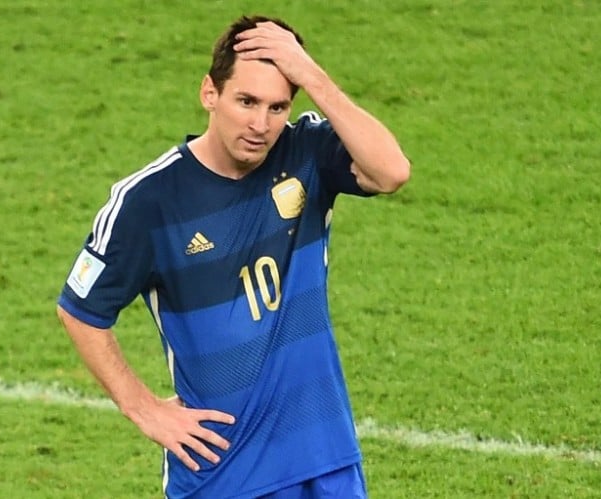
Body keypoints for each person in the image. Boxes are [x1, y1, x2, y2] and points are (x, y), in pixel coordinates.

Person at [56, 14, 410, 499]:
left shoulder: (307, 153)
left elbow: (391, 172)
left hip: (324, 456)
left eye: (277, 106)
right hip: (223, 473)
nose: (260, 125)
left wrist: (312, 74)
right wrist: (143, 408)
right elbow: (80, 311)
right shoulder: (149, 201)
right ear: (210, 93)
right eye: (246, 101)